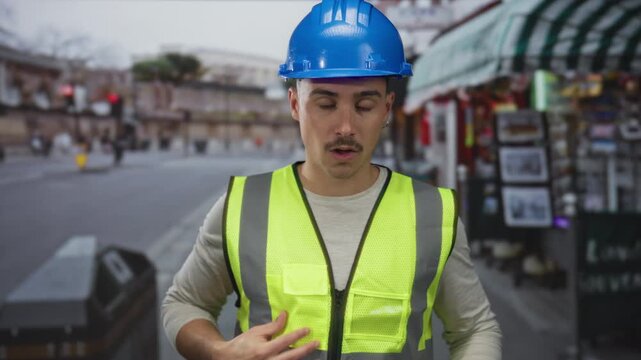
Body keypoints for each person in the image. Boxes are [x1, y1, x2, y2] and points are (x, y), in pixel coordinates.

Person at [162, 1, 502, 359]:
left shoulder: (434, 213)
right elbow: (185, 303)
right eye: (325, 104)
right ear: (295, 105)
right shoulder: (243, 208)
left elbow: (474, 328)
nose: (345, 127)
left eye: (364, 106)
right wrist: (217, 351)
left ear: (386, 109)